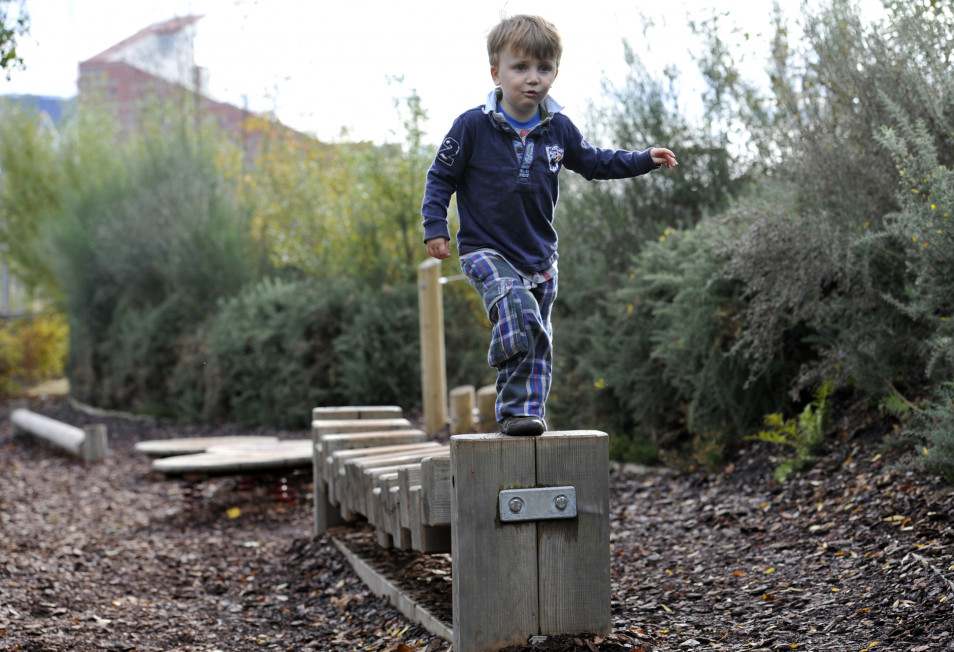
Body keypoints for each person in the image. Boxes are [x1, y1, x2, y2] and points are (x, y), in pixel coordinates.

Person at [421, 14, 678, 437]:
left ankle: (520, 413)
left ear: (555, 73)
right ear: (496, 73)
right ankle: (511, 385)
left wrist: (642, 159)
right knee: (516, 306)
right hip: (486, 249)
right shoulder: (472, 126)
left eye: (543, 68)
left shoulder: (557, 129)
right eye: (520, 67)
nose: (532, 78)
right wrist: (435, 226)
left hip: (540, 257)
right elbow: (440, 177)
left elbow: (595, 162)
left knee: (538, 337)